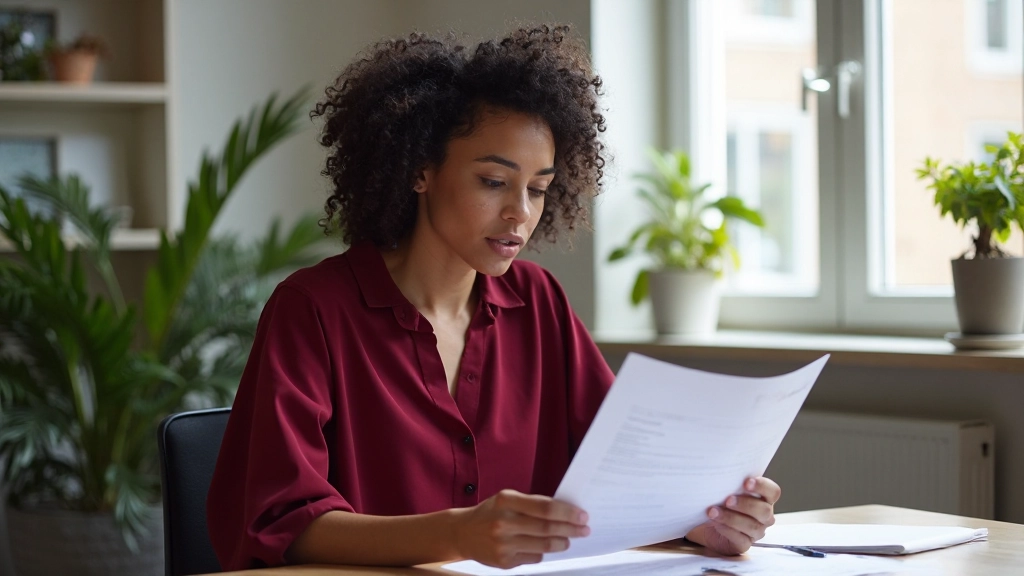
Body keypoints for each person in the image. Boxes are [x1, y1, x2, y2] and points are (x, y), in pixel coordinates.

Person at [206, 24, 781, 571]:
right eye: (493, 181)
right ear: (420, 170)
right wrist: (459, 534)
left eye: (538, 189)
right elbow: (279, 522)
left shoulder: (539, 302)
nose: (520, 214)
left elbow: (623, 476)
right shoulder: (313, 309)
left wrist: (698, 521)